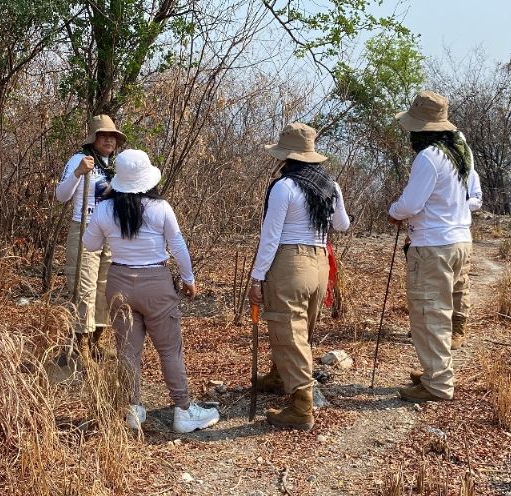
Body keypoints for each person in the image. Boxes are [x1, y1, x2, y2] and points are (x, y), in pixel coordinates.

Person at [82, 149, 220, 434]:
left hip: (119, 280)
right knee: (169, 350)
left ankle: (133, 408)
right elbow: (178, 246)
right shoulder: (160, 208)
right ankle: (182, 410)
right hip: (156, 281)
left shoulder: (105, 209)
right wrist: (188, 278)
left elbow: (91, 245)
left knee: (127, 351)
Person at [248, 122, 351, 430]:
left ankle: (301, 404)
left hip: (289, 261)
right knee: (302, 324)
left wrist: (257, 277)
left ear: (286, 156)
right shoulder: (329, 185)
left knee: (286, 326)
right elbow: (343, 224)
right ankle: (281, 375)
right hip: (320, 262)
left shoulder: (285, 186)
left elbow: (271, 235)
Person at [389, 90, 479, 403]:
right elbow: (469, 197)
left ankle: (438, 382)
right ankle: (433, 372)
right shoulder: (460, 150)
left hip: (433, 245)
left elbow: (411, 203)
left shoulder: (428, 157)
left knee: (429, 313)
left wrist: (394, 210)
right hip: (460, 240)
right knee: (441, 309)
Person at [55, 114, 124, 358]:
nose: (108, 140)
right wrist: (77, 173)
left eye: (112, 136)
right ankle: (80, 347)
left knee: (105, 290)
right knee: (83, 289)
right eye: (103, 136)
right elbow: (61, 196)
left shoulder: (116, 166)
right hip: (84, 230)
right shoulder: (79, 159)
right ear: (93, 138)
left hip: (110, 234)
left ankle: (96, 343)